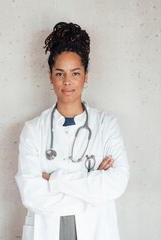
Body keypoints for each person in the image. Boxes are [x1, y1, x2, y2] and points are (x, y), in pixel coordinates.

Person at [15, 22, 130, 240]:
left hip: (95, 229)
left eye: (75, 73)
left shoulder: (106, 125)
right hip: (47, 229)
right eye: (60, 74)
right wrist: (92, 186)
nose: (67, 81)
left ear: (86, 76)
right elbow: (31, 195)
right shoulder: (33, 130)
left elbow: (117, 182)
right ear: (50, 77)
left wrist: (55, 180)